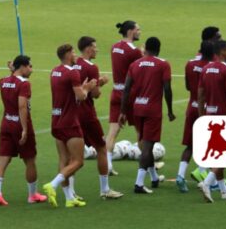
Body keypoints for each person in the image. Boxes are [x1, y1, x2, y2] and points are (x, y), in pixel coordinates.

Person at [42, 44, 98, 208]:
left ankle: (69, 198)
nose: (75, 55)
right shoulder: (73, 72)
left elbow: (66, 92)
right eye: (73, 52)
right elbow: (80, 97)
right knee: (78, 161)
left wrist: (83, 87)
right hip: (70, 122)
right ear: (67, 54)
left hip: (56, 120)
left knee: (64, 159)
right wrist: (88, 88)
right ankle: (52, 185)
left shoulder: (54, 71)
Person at [120, 36, 174, 194]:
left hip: (137, 108)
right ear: (159, 49)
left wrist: (123, 111)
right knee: (147, 146)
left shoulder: (135, 64)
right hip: (152, 110)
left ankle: (154, 177)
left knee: (144, 144)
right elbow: (167, 89)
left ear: (146, 49)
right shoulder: (163, 64)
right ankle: (138, 184)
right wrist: (170, 110)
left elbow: (126, 89)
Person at [0, 55, 47, 206]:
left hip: (6, 122)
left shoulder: (2, 81)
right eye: (30, 66)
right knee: (30, 160)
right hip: (19, 124)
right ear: (22, 67)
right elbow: (22, 106)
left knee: (3, 159)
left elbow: (11, 80)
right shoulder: (24, 84)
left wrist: (12, 71)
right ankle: (32, 195)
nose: (32, 70)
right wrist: (24, 129)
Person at [196, 40, 226, 203]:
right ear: (222, 51)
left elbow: (200, 95)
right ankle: (207, 183)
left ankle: (224, 191)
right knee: (225, 155)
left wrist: (201, 116)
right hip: (224, 115)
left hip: (209, 114)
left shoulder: (205, 68)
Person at [74, 37, 120, 199]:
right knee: (101, 148)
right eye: (94, 47)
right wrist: (101, 83)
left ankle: (70, 192)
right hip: (87, 114)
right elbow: (95, 94)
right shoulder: (92, 67)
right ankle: (105, 189)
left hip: (71, 114)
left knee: (72, 154)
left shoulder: (74, 63)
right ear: (88, 49)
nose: (97, 49)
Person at [176, 32, 218, 192]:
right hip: (207, 109)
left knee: (190, 145)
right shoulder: (213, 68)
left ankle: (180, 175)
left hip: (192, 106)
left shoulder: (190, 64)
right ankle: (210, 179)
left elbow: (188, 86)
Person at [104, 20, 142, 175]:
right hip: (129, 95)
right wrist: (142, 54)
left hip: (116, 92)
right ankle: (148, 166)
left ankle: (107, 165)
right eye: (138, 29)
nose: (139, 32)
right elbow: (139, 72)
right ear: (130, 31)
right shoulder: (134, 51)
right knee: (140, 131)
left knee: (112, 132)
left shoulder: (114, 47)